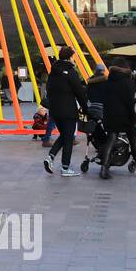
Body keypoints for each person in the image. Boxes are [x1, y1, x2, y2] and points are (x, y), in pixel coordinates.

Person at [99, 66, 136, 179]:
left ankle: (104, 169)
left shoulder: (107, 83)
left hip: (110, 116)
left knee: (111, 140)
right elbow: (133, 101)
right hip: (126, 117)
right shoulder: (128, 83)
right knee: (133, 141)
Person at [43, 47, 89, 177]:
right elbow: (79, 92)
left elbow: (49, 90)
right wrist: (86, 109)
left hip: (55, 110)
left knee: (64, 135)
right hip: (68, 110)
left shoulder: (53, 72)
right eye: (73, 57)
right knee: (68, 138)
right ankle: (65, 167)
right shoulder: (70, 72)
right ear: (69, 57)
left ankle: (50, 157)